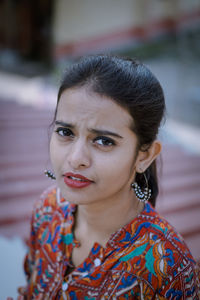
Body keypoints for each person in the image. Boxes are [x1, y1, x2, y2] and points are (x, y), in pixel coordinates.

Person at [17, 55, 200, 299]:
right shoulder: (47, 209)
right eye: (65, 132)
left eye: (104, 141)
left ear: (144, 156)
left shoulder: (167, 265)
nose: (75, 158)